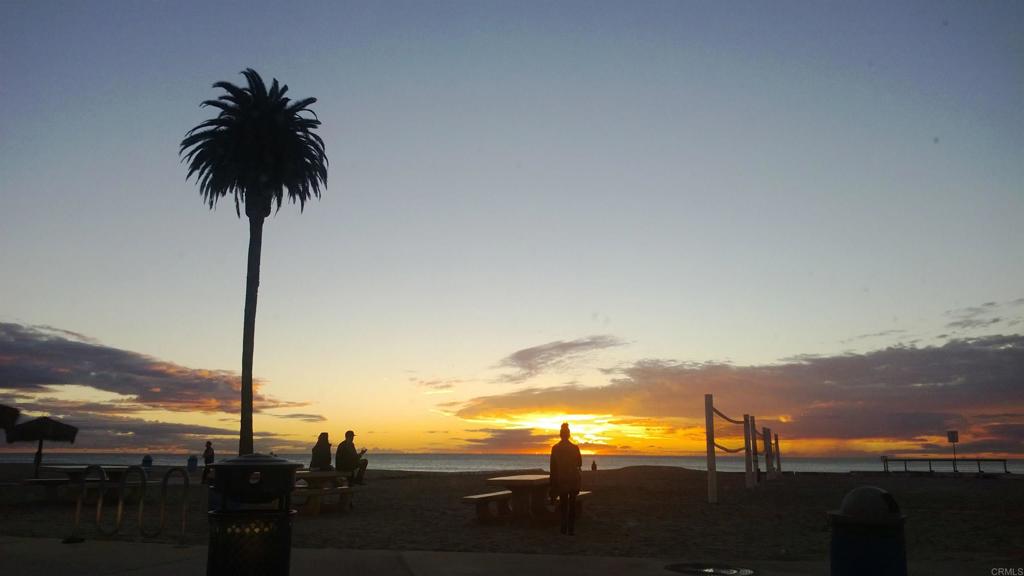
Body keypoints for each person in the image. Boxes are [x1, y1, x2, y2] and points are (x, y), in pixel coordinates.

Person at [549, 422, 582, 535]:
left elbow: (553, 468)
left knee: (563, 504)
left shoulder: (555, 448)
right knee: (572, 505)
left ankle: (563, 528)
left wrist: (552, 483)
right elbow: (579, 463)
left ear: (560, 434)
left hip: (562, 480)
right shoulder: (575, 448)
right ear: (569, 434)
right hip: (573, 479)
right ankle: (571, 529)